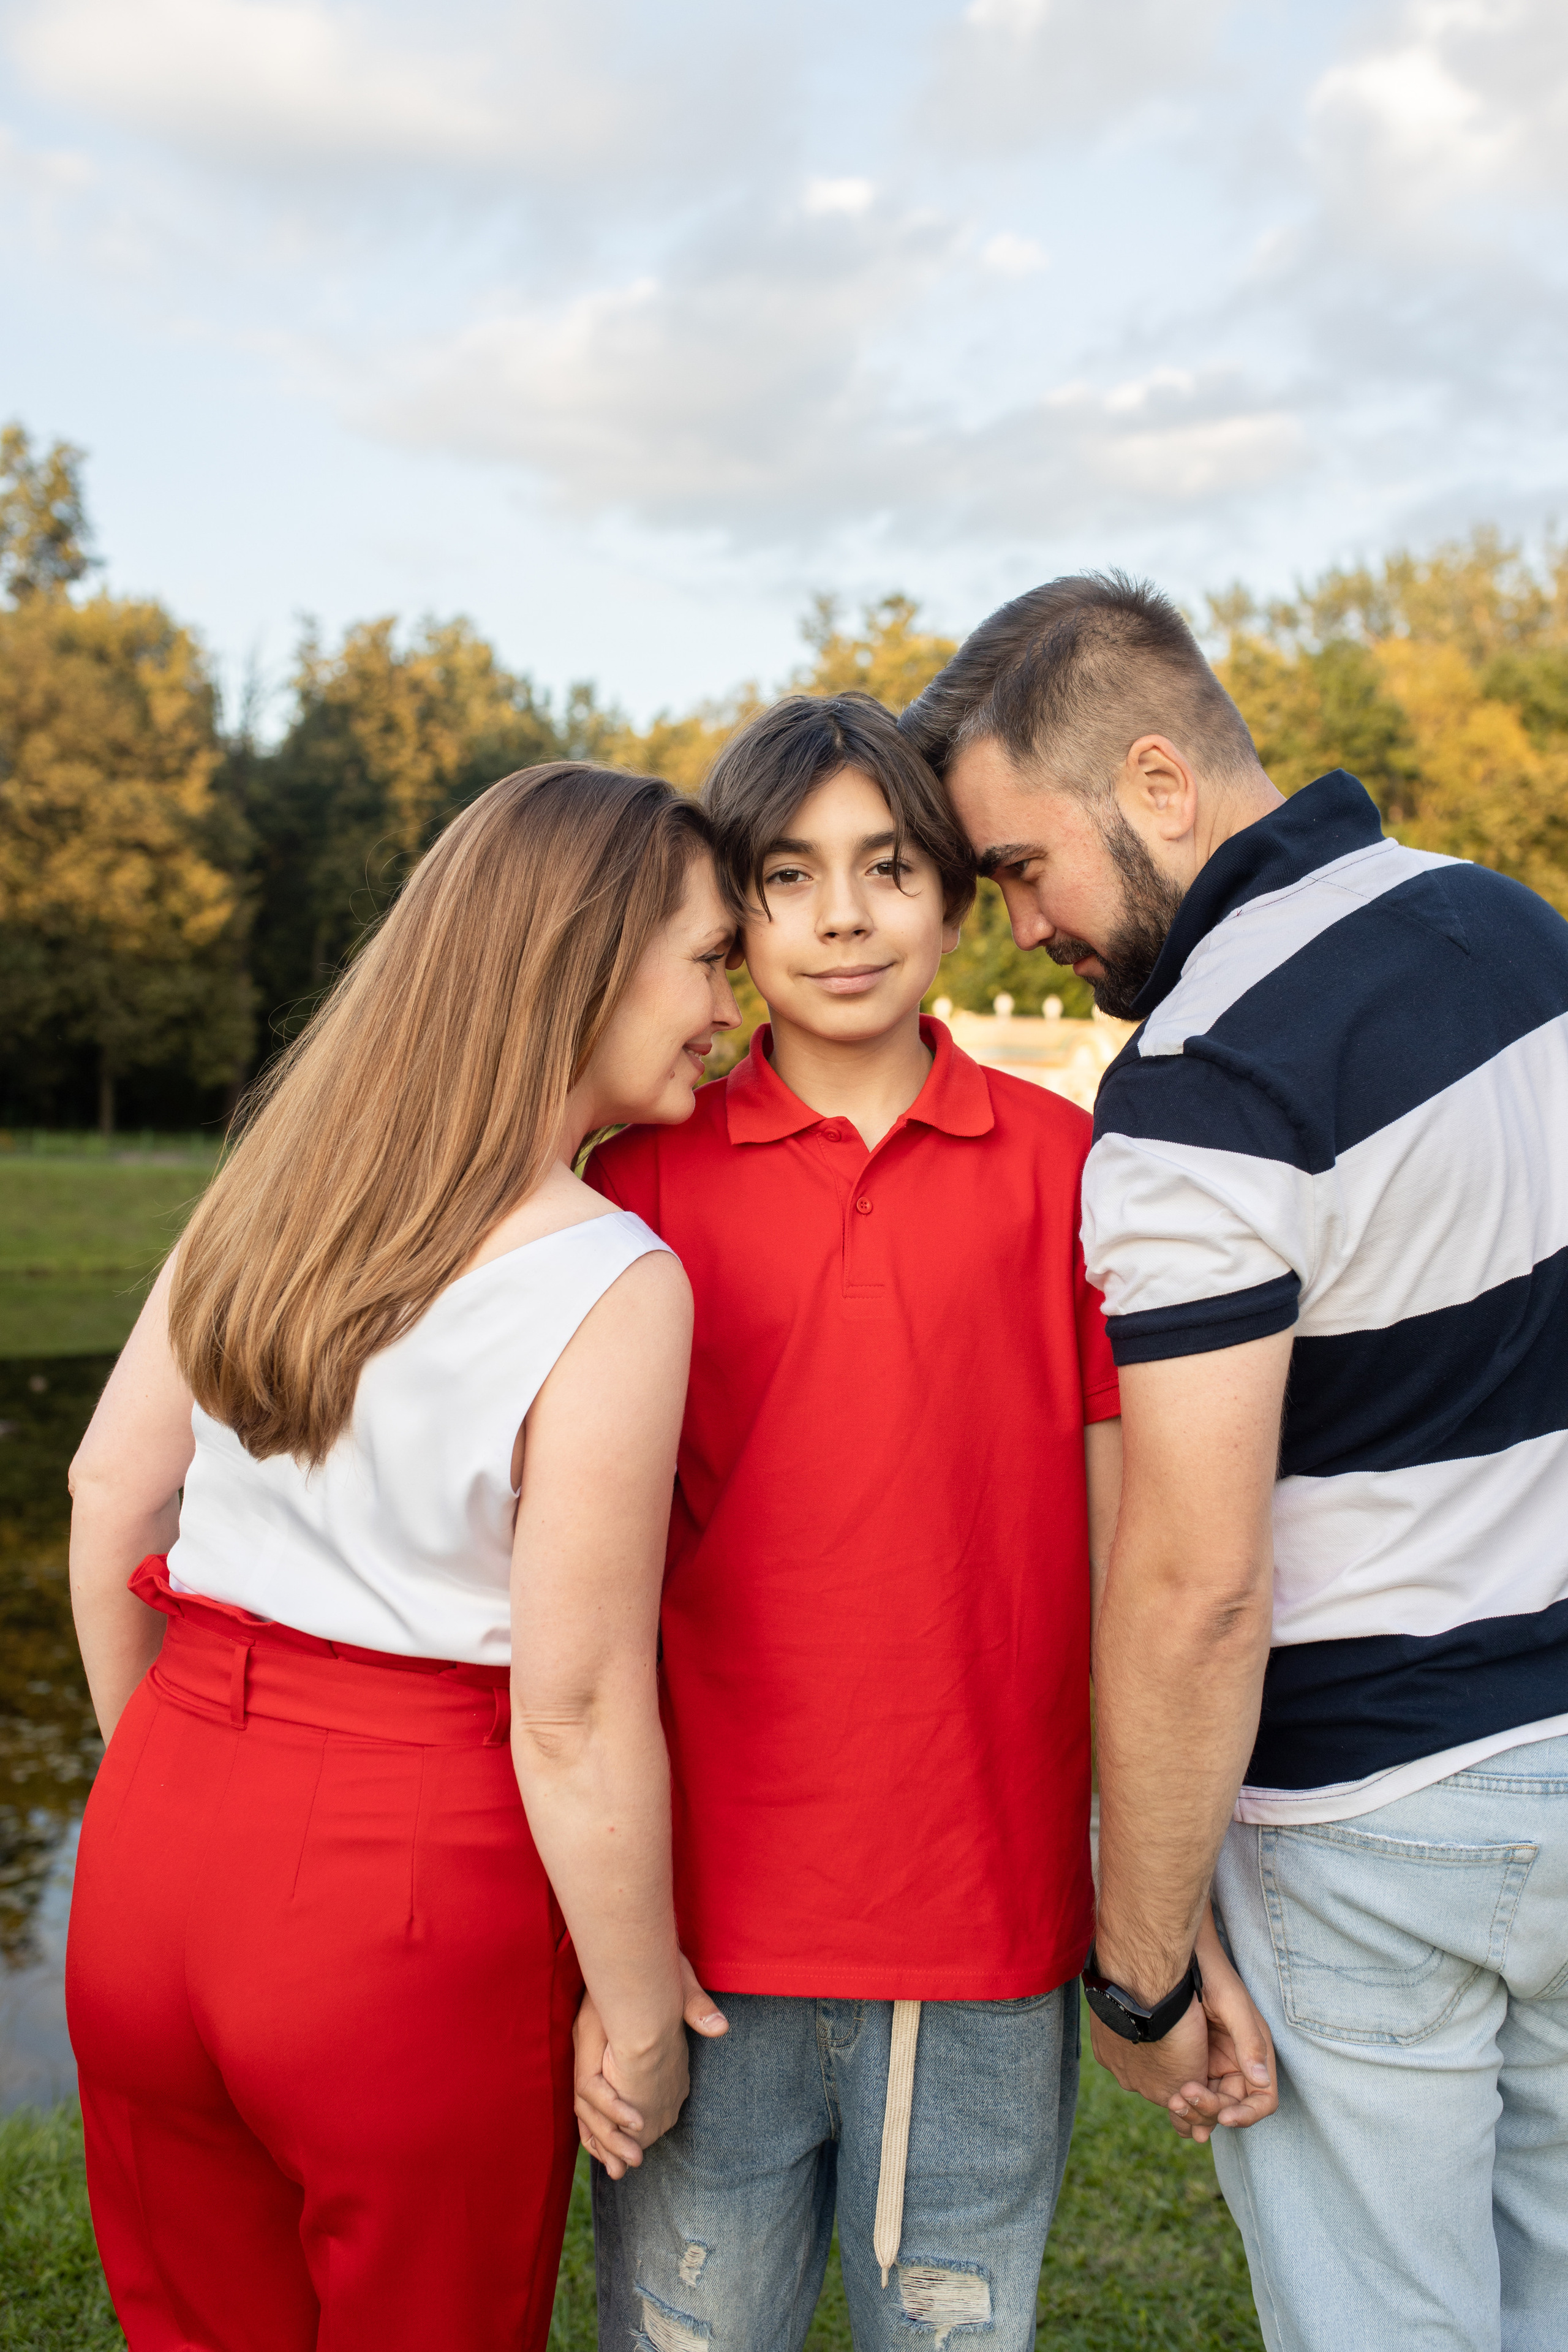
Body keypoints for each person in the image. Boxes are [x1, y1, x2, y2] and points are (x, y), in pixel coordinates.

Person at [904, 572, 1568, 2351]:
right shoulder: (1522, 933)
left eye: (1022, 868)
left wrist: (1136, 1973)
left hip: (1375, 1825)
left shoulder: (1205, 1082)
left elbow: (1197, 1586)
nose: (1019, 930)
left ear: (1158, 781)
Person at [576, 691, 1264, 2352]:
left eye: (888, 868)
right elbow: (570, 1612)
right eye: (790, 875)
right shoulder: (636, 1183)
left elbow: (1139, 1567)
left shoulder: (1076, 1169)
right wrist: (602, 1952)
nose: (843, 917)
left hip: (986, 1925)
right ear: (734, 916)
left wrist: (1166, 1913)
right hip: (698, 1930)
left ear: (956, 899)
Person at [65, 763, 741, 2352]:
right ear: (588, 957)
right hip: (402, 1889)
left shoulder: (273, 1189)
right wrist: (640, 2007)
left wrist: (165, 1792)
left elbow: (109, 1498)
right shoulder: (608, 1276)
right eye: (711, 959)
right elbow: (574, 1712)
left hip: (157, 1842)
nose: (733, 1007)